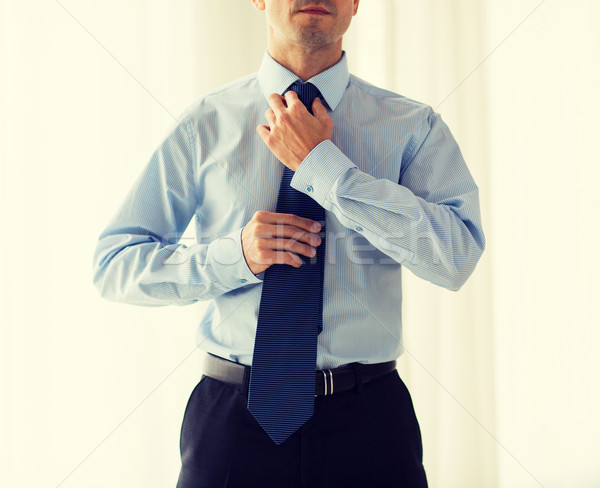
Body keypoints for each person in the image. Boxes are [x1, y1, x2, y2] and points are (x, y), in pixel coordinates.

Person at [93, 0, 485, 486]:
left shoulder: (413, 127)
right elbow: (115, 263)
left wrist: (326, 168)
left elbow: (456, 257)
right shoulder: (204, 123)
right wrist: (233, 257)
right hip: (233, 423)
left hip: (371, 424)